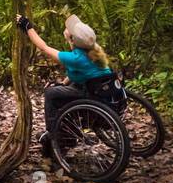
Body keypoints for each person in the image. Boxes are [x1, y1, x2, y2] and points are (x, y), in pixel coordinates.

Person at [15, 12, 114, 155]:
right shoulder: (94, 50)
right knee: (62, 88)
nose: (69, 29)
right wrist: (63, 83)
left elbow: (44, 48)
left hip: (91, 96)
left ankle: (53, 134)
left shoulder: (76, 58)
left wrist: (27, 26)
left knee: (51, 93)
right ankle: (67, 129)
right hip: (102, 91)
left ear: (73, 39)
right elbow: (78, 73)